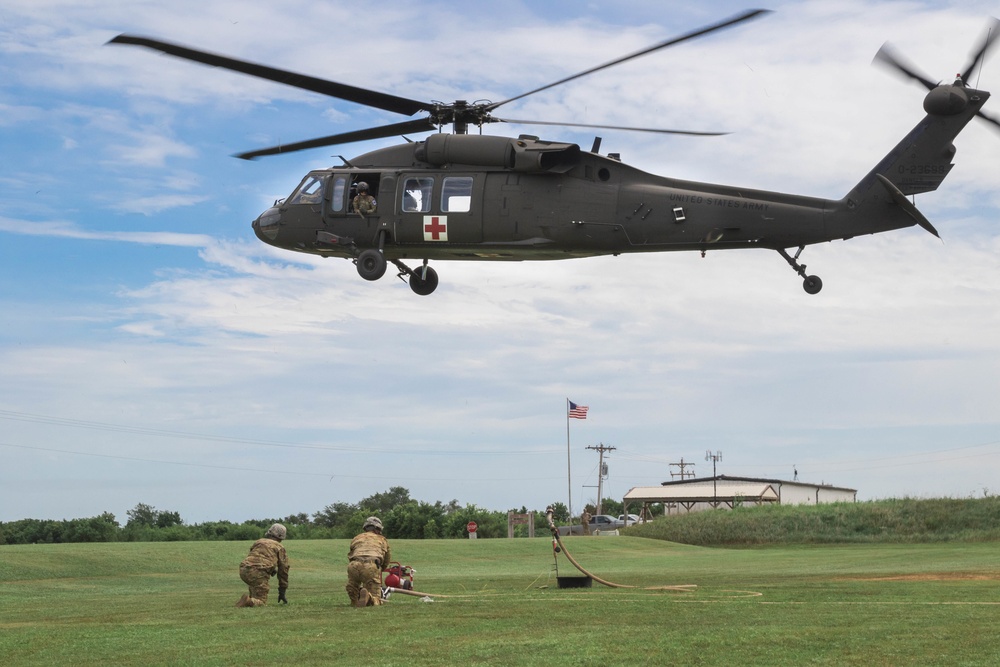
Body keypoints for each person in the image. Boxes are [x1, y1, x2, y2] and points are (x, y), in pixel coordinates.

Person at [236, 523, 290, 607]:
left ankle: (251, 599)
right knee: (262, 602)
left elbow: (254, 556)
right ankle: (248, 600)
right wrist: (282, 591)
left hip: (244, 569)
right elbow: (283, 570)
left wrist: (271, 569)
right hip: (258, 572)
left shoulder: (259, 542)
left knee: (255, 586)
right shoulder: (279, 547)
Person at [346, 516, 391, 608]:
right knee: (376, 597)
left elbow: (351, 554)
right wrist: (381, 569)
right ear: (378, 529)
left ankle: (355, 601)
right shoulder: (382, 539)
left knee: (353, 588)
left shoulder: (356, 538)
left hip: (353, 565)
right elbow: (386, 559)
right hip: (371, 565)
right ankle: (370, 598)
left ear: (365, 528)